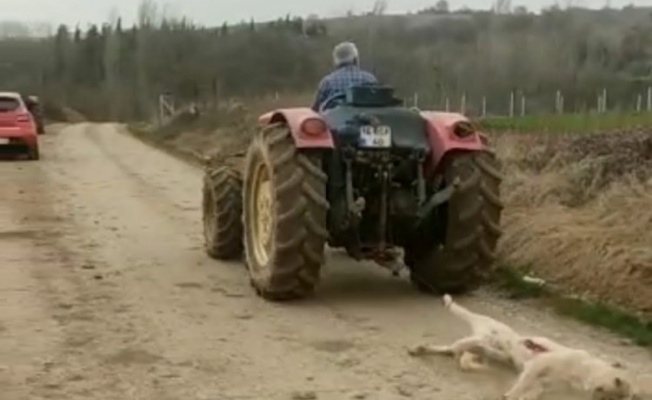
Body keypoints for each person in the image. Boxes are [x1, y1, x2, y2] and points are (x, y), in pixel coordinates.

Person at [311, 42, 378, 112]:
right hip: (365, 120)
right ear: (355, 59)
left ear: (336, 62)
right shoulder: (369, 79)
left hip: (335, 120)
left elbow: (315, 109)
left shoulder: (327, 82)